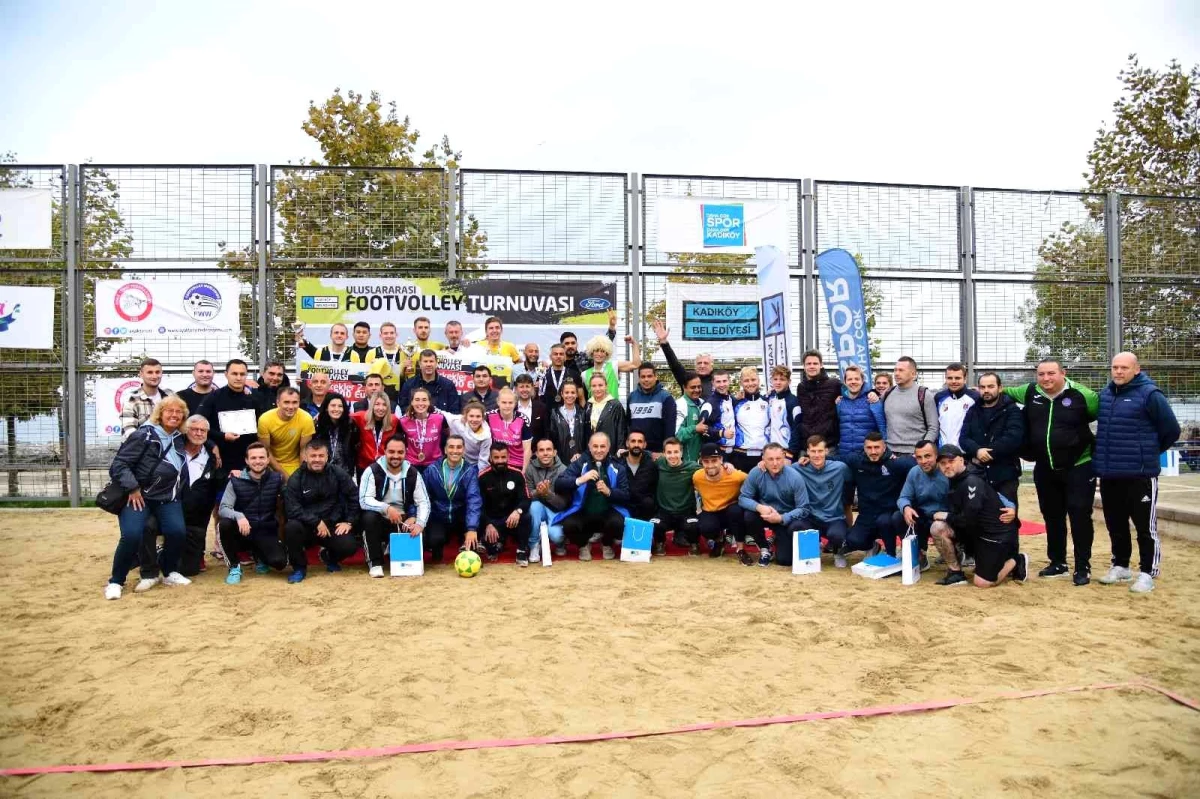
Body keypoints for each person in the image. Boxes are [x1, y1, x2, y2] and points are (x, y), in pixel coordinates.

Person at [1002, 358, 1098, 584]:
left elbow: (1098, 416)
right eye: (1041, 374)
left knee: (1079, 515)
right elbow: (1000, 390)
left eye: (1051, 373)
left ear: (1063, 373)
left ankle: (1083, 566)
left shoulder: (1085, 396)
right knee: (1052, 516)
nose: (1046, 378)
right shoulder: (1029, 391)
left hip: (1079, 466)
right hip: (1045, 467)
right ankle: (1058, 562)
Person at [1093, 352, 1181, 593]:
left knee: (1145, 527)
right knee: (1116, 524)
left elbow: (1171, 430)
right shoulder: (1106, 394)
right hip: (1111, 474)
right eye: (1115, 367)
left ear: (1136, 369)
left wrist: (1148, 452)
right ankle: (1121, 566)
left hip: (1140, 475)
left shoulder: (1150, 395)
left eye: (1124, 367)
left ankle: (1147, 573)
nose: (1118, 372)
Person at [104, 395, 191, 600]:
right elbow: (119, 465)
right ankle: (116, 581)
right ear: (160, 414)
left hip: (167, 497)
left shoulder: (178, 438)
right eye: (170, 411)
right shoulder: (144, 435)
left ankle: (169, 572)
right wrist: (132, 488)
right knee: (132, 535)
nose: (174, 415)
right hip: (139, 496)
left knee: (177, 532)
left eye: (179, 412)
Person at [930, 444, 1027, 588]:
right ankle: (955, 573)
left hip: (995, 537)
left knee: (981, 582)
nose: (947, 466)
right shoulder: (954, 480)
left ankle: (1016, 560)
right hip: (976, 533)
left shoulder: (971, 481)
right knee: (938, 528)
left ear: (961, 461)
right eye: (943, 463)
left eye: (951, 461)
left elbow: (969, 519)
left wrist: (946, 516)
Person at [139, 413, 217, 583]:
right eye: (194, 429)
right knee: (148, 525)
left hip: (193, 520)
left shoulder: (212, 457)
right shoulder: (173, 448)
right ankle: (149, 564)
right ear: (185, 431)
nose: (198, 433)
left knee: (190, 570)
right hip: (166, 508)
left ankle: (164, 553)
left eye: (203, 430)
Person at [283, 439, 361, 583]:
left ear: (327, 456)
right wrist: (316, 522)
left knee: (350, 546)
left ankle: (329, 557)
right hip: (307, 526)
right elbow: (292, 508)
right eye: (313, 456)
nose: (317, 459)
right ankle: (299, 568)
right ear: (305, 457)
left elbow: (354, 496)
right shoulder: (296, 478)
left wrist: (349, 521)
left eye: (320, 456)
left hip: (331, 524)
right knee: (291, 527)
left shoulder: (338, 473)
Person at [358, 436, 433, 578]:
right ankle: (375, 563)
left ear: (406, 453)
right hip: (380, 516)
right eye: (391, 452)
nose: (396, 456)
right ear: (384, 451)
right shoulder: (372, 471)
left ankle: (393, 550)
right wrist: (387, 508)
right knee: (368, 518)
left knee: (425, 535)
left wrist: (419, 523)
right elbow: (364, 500)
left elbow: (423, 502)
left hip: (403, 519)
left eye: (400, 452)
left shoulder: (413, 473)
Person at [216, 441, 288, 584]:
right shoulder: (235, 480)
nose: (258, 461)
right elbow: (223, 508)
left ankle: (259, 555)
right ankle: (234, 566)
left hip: (265, 530)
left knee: (280, 563)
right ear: (247, 461)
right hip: (243, 530)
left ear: (268, 460)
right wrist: (239, 516)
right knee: (225, 524)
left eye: (261, 458)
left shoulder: (277, 479)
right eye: (253, 458)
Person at [554, 432, 631, 561]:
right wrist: (580, 479)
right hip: (583, 511)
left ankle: (606, 544)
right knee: (568, 525)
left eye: (602, 446)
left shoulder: (618, 466)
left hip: (607, 512)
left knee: (619, 523)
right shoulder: (580, 463)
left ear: (608, 447)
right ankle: (583, 545)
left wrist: (609, 492)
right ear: (589, 447)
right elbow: (559, 483)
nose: (599, 450)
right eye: (595, 446)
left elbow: (626, 495)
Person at [841, 432, 916, 564]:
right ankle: (873, 546)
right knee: (854, 540)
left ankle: (891, 554)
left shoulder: (896, 463)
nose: (873, 451)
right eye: (869, 448)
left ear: (884, 447)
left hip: (888, 514)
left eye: (877, 447)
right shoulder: (856, 461)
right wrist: (807, 458)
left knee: (885, 521)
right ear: (864, 448)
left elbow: (918, 464)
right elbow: (835, 459)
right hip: (866, 515)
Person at [959, 372, 1025, 511]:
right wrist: (977, 450)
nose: (986, 390)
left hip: (1005, 474)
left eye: (990, 386)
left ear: (1000, 388)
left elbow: (1013, 438)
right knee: (976, 515)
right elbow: (963, 438)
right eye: (982, 387)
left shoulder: (1012, 410)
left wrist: (987, 453)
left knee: (1006, 518)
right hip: (977, 473)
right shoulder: (973, 410)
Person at [738, 443, 810, 567]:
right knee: (749, 515)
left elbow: (804, 508)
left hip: (785, 518)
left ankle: (776, 539)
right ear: (763, 459)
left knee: (785, 561)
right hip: (765, 514)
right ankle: (765, 549)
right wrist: (759, 507)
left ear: (784, 457)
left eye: (778, 458)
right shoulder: (756, 472)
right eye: (770, 459)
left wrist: (782, 518)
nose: (775, 463)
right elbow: (743, 498)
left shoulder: (795, 477)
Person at [199, 359, 262, 487]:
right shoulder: (213, 398)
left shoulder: (254, 398)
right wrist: (222, 437)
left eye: (242, 374)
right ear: (226, 374)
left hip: (249, 460)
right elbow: (199, 426)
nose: (238, 378)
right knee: (222, 500)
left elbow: (262, 426)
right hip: (221, 460)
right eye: (234, 374)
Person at [892, 439, 948, 572]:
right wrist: (906, 507)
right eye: (919, 457)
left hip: (946, 517)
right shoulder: (914, 472)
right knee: (898, 516)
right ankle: (919, 554)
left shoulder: (947, 472)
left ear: (936, 456)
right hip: (923, 516)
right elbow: (903, 497)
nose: (923, 461)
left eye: (927, 456)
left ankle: (960, 551)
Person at [793, 435, 852, 562]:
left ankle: (838, 552)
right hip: (811, 517)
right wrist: (763, 462)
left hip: (834, 517)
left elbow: (852, 480)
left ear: (826, 451)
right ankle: (813, 548)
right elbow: (779, 468)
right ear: (807, 452)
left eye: (820, 451)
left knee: (837, 535)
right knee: (796, 525)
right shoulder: (798, 468)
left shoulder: (840, 468)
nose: (816, 455)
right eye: (813, 451)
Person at [424, 435, 482, 560]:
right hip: (439, 515)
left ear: (464, 450)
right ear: (445, 450)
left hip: (460, 515)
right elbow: (423, 498)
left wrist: (471, 528)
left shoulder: (470, 471)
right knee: (435, 541)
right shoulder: (432, 470)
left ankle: (468, 543)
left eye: (459, 447)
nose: (455, 451)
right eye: (451, 447)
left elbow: (473, 500)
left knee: (473, 540)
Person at [477, 442, 531, 563]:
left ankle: (521, 551)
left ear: (508, 457)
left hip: (512, 519)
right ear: (490, 458)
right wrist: (487, 524)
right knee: (492, 551)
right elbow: (478, 505)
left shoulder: (517, 474)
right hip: (492, 521)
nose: (500, 461)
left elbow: (526, 498)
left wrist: (518, 511)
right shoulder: (482, 477)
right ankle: (494, 544)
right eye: (496, 457)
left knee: (526, 516)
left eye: (503, 457)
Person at [694, 443, 748, 560]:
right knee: (704, 527)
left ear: (721, 460)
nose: (710, 465)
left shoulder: (735, 475)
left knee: (736, 511)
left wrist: (762, 465)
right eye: (706, 461)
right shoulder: (697, 477)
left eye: (714, 460)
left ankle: (740, 548)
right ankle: (719, 539)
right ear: (701, 462)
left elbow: (753, 481)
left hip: (730, 511)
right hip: (710, 511)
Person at [650, 437, 702, 553]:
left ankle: (694, 543)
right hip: (664, 512)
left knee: (695, 526)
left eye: (676, 452)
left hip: (686, 512)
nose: (673, 456)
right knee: (654, 525)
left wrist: (727, 465)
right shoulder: (660, 464)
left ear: (681, 452)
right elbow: (643, 455)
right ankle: (660, 542)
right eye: (669, 452)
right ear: (663, 453)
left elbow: (710, 470)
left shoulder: (692, 467)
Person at [883, 357, 939, 455]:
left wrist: (921, 452)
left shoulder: (924, 394)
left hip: (915, 455)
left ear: (913, 374)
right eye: (895, 370)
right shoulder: (887, 393)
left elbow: (933, 428)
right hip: (890, 454)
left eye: (901, 370)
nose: (896, 373)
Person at [525, 437, 569, 561]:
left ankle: (560, 543)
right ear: (536, 453)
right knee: (533, 507)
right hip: (537, 507)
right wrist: (539, 492)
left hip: (555, 510)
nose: (545, 453)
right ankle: (534, 545)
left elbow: (563, 504)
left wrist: (548, 494)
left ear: (555, 452)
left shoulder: (564, 470)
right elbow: (527, 495)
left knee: (557, 536)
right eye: (541, 450)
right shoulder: (530, 468)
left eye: (549, 449)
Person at [257, 386, 315, 477]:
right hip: (270, 463)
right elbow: (266, 451)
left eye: (295, 402)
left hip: (295, 464)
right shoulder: (265, 419)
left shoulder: (306, 418)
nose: (291, 406)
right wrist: (285, 476)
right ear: (278, 403)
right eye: (286, 402)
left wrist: (301, 475)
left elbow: (303, 450)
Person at [651, 318, 714, 396]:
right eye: (699, 363)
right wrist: (664, 342)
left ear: (711, 366)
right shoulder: (687, 379)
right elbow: (675, 365)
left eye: (706, 363)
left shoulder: (718, 380)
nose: (702, 365)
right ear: (695, 366)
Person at [795, 351, 842, 453]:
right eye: (808, 364)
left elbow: (854, 390)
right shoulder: (801, 387)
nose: (812, 366)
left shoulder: (834, 384)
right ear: (804, 366)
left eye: (815, 363)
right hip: (807, 446)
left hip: (828, 445)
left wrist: (872, 393)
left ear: (821, 365)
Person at [836, 365, 885, 460]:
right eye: (850, 379)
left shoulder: (872, 400)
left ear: (862, 381)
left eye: (857, 379)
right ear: (845, 382)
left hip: (867, 457)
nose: (853, 382)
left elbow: (882, 427)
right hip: (844, 455)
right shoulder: (840, 402)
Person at [627, 363, 676, 457]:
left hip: (658, 453)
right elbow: (628, 424)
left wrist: (666, 452)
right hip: (636, 450)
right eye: (643, 377)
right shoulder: (632, 397)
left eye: (649, 376)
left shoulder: (666, 397)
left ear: (655, 377)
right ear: (639, 378)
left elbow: (670, 428)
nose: (646, 379)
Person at [120, 358, 175, 440]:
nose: (154, 376)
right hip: (143, 449)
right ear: (141, 374)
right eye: (150, 372)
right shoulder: (131, 399)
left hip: (169, 448)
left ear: (161, 373)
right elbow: (129, 432)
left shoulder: (170, 395)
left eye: (157, 372)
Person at [623, 430, 660, 549]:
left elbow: (655, 488)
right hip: (624, 505)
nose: (636, 444)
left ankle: (647, 538)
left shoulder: (652, 465)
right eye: (633, 441)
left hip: (645, 508)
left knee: (648, 503)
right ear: (627, 443)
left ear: (645, 445)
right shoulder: (617, 464)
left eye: (640, 441)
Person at [351, 391, 403, 475]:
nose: (381, 408)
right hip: (364, 466)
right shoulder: (360, 417)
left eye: (384, 405)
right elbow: (342, 416)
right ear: (372, 406)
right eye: (377, 404)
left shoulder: (394, 420)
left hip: (385, 466)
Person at [399, 349, 461, 415]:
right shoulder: (409, 385)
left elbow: (454, 411)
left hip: (442, 424)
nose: (428, 364)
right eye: (425, 361)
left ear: (436, 363)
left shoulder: (448, 385)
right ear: (420, 364)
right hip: (415, 424)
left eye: (431, 361)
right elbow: (404, 409)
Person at [732, 366, 769, 473]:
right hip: (740, 455)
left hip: (763, 456)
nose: (750, 383)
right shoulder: (735, 403)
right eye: (746, 381)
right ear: (741, 383)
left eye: (753, 380)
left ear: (758, 380)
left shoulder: (768, 402)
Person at [399, 387, 446, 471]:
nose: (420, 403)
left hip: (434, 463)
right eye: (417, 400)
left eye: (424, 400)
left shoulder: (439, 418)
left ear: (429, 402)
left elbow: (448, 436)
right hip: (412, 463)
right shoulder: (404, 421)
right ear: (412, 402)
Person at [582, 334, 641, 398]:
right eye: (596, 351)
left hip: (613, 407)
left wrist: (633, 343)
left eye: (602, 351)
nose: (599, 354)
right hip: (594, 407)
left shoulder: (613, 366)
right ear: (591, 352)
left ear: (607, 353)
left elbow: (635, 364)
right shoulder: (584, 374)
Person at [487, 387, 532, 471]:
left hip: (517, 463)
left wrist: (524, 471)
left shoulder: (523, 419)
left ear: (515, 403)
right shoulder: (489, 416)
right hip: (496, 461)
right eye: (504, 402)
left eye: (510, 403)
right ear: (498, 402)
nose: (507, 406)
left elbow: (527, 449)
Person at [935, 363, 979, 448]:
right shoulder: (939, 397)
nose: (953, 381)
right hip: (943, 451)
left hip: (967, 452)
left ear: (965, 379)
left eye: (957, 378)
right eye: (950, 378)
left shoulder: (975, 397)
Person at [765, 365, 803, 461]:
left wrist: (790, 454)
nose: (778, 382)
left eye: (782, 379)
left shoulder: (793, 402)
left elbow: (797, 429)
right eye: (775, 379)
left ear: (789, 382)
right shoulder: (771, 398)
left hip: (786, 453)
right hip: (771, 451)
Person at [315, 394, 359, 474]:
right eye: (333, 405)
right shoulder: (318, 426)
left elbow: (355, 448)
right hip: (322, 471)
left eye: (340, 406)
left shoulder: (351, 426)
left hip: (345, 473)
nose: (336, 409)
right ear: (326, 408)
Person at [584, 373, 627, 456]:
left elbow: (621, 429)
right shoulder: (588, 405)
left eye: (600, 385)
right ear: (590, 388)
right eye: (594, 386)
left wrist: (620, 448)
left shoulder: (615, 405)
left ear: (606, 386)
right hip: (593, 451)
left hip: (610, 450)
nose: (597, 389)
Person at [546, 379, 586, 464]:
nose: (570, 395)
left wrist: (582, 454)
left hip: (580, 456)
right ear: (562, 394)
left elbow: (586, 437)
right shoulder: (555, 413)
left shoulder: (582, 412)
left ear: (577, 394)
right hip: (560, 458)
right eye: (567, 392)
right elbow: (552, 435)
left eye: (573, 392)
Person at [366, 321, 409, 396]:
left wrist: (404, 370)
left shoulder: (404, 352)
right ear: (380, 335)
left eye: (392, 333)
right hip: (377, 395)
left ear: (396, 334)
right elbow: (368, 378)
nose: (389, 336)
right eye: (385, 333)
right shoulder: (372, 353)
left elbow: (406, 377)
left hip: (399, 393)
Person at [698, 371, 736, 455]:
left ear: (729, 381)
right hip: (716, 453)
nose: (722, 385)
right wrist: (721, 433)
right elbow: (701, 428)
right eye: (718, 382)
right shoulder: (709, 404)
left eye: (724, 381)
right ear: (713, 383)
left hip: (734, 452)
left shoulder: (732, 400)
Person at [675, 372, 706, 464]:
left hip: (703, 461)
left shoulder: (703, 403)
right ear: (684, 387)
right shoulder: (680, 405)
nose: (697, 390)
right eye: (693, 387)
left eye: (699, 386)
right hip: (687, 463)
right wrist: (695, 428)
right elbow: (677, 435)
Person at [513, 373, 548, 444]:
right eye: (521, 387)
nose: (525, 389)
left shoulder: (542, 407)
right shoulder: (511, 407)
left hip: (536, 451)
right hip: (515, 451)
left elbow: (546, 432)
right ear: (516, 389)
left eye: (527, 386)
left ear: (532, 388)